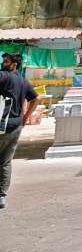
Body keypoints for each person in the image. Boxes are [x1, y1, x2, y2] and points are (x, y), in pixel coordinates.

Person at [1, 53, 40, 209]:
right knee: (5, 161)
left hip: (2, 125)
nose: (3, 63)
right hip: (16, 126)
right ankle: (1, 196)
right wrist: (25, 117)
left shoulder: (4, 76)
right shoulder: (23, 82)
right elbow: (36, 99)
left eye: (6, 62)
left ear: (14, 64)